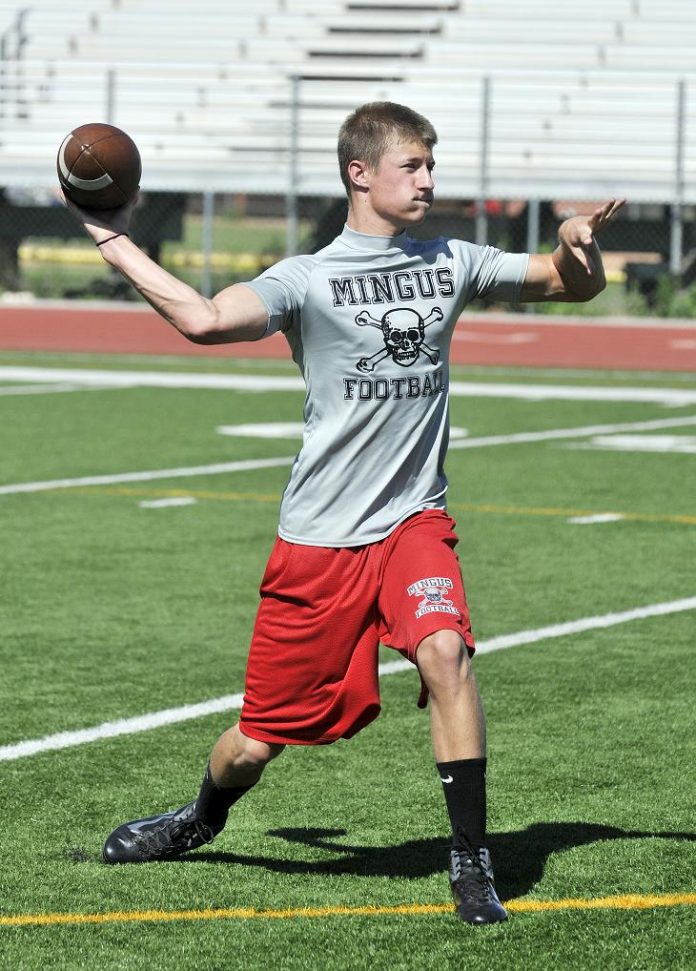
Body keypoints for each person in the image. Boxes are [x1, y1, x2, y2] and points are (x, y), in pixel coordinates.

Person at [63, 101, 624, 925]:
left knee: (447, 651)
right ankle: (199, 817)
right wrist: (107, 234)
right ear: (360, 173)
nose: (430, 180)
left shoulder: (451, 260)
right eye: (413, 166)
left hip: (412, 523)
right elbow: (203, 319)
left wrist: (582, 246)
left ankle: (470, 863)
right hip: (318, 542)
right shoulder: (306, 278)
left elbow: (567, 283)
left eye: (432, 165)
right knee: (255, 741)